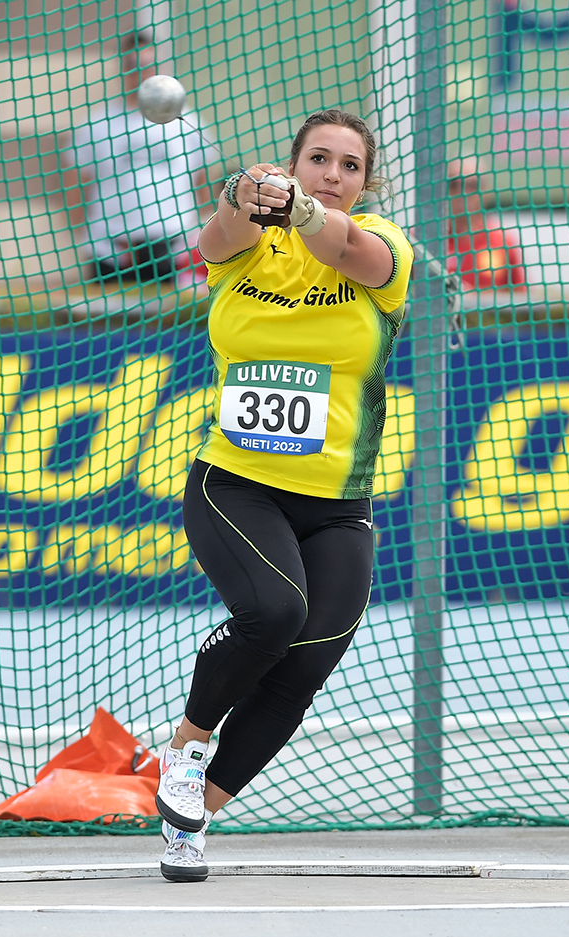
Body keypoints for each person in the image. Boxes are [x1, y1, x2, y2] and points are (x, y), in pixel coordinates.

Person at [155, 109, 413, 882]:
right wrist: (242, 192)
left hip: (338, 504)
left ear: (365, 182)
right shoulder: (249, 247)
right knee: (273, 612)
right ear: (294, 163)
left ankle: (188, 822)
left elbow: (344, 249)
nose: (332, 174)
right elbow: (218, 236)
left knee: (303, 667)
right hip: (235, 485)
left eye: (348, 166)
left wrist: (301, 210)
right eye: (317, 159)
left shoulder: (384, 245)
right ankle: (186, 743)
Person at [62, 31, 218, 286]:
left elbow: (204, 183)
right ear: (124, 69)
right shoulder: (97, 125)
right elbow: (75, 187)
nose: (142, 73)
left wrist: (197, 236)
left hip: (174, 251)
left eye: (148, 65)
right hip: (114, 253)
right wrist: (89, 239)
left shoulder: (186, 121)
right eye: (134, 65)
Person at [448, 157, 526, 292]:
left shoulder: (501, 241)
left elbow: (521, 296)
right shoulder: (424, 242)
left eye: (472, 185)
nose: (463, 193)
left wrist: (473, 297)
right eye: (454, 184)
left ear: (485, 191)